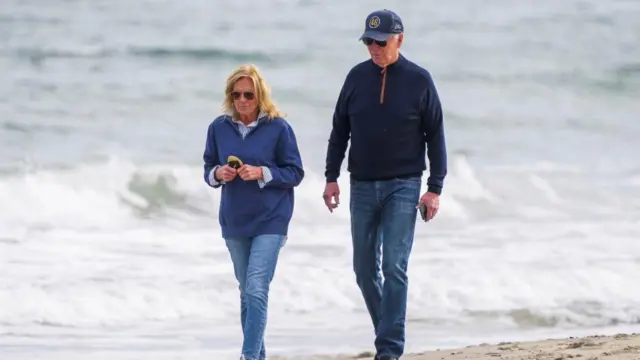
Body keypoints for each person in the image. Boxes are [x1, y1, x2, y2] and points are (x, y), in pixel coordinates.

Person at [322, 9, 448, 360]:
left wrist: (434, 187)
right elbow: (339, 131)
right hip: (361, 185)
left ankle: (389, 351)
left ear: (399, 40)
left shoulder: (419, 80)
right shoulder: (355, 78)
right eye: (368, 42)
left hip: (404, 186)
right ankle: (387, 332)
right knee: (364, 271)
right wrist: (331, 177)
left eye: (380, 42)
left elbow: (436, 136)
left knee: (394, 266)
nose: (374, 48)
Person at [202, 64, 305, 360]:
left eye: (249, 94)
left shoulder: (279, 128)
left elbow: (295, 172)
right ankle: (256, 356)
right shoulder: (218, 128)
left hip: (272, 219)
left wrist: (262, 172)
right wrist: (219, 174)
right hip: (235, 220)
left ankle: (247, 357)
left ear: (260, 95)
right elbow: (208, 169)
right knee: (247, 292)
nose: (243, 100)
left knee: (257, 288)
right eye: (236, 94)